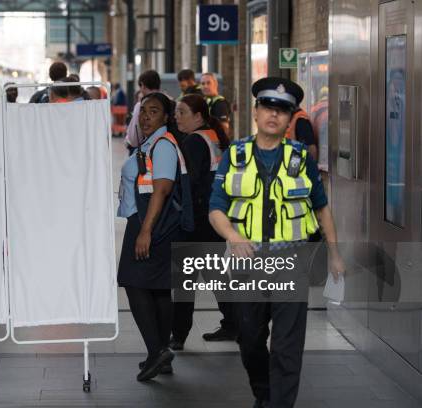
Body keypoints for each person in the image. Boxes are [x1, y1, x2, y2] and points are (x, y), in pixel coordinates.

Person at [208, 77, 345, 408]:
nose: (274, 115)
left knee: (287, 345)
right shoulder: (235, 155)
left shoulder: (300, 159)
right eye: (268, 107)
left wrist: (334, 253)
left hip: (291, 262)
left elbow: (321, 207)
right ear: (256, 112)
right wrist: (233, 236)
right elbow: (216, 209)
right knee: (250, 338)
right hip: (247, 262)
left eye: (283, 110)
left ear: (289, 119)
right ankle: (264, 392)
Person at [117, 92, 193, 382]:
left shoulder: (161, 145)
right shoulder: (153, 143)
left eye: (154, 111)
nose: (147, 117)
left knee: (133, 283)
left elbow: (161, 189)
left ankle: (156, 351)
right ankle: (160, 354)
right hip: (156, 223)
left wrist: (145, 231)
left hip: (151, 224)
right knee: (160, 289)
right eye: (143, 112)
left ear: (165, 117)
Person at [171, 94, 236, 350]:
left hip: (197, 221)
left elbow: (190, 184)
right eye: (176, 112)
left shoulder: (195, 142)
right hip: (214, 218)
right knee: (216, 275)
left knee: (185, 280)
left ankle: (178, 335)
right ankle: (234, 325)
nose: (177, 117)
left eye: (182, 112)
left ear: (198, 116)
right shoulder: (213, 137)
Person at [125, 70, 165, 149]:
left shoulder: (141, 106)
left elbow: (134, 138)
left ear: (143, 85)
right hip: (165, 143)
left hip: (147, 148)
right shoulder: (169, 101)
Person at [200, 72, 232, 137]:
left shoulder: (220, 103)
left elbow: (225, 129)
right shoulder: (205, 101)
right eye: (203, 84)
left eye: (208, 83)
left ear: (215, 84)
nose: (205, 86)